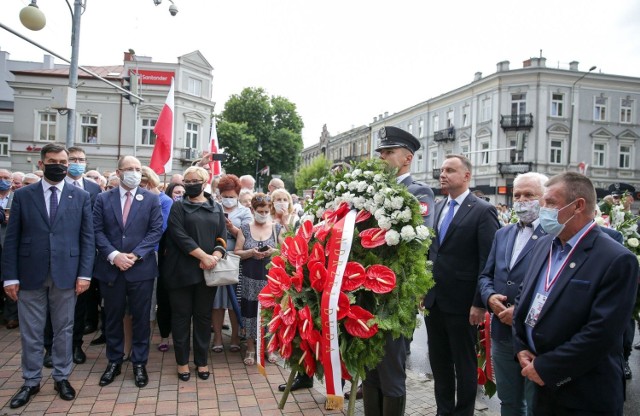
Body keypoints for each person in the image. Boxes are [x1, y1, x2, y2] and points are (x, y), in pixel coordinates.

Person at [513, 172, 638, 415]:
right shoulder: (544, 244)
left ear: (578, 206)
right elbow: (523, 297)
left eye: (550, 203)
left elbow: (601, 332)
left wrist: (548, 367)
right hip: (540, 383)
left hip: (584, 393)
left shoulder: (617, 259)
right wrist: (521, 346)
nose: (543, 210)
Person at [2, 143, 95, 408]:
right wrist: (10, 276)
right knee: (31, 331)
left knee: (65, 329)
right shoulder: (23, 195)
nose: (59, 166)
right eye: (53, 161)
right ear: (41, 164)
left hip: (67, 274)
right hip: (30, 273)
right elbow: (12, 239)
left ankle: (61, 377)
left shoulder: (80, 197)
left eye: (63, 162)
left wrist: (85, 274)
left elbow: (87, 239)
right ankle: (30, 381)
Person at [356, 126, 435, 414]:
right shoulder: (369, 191)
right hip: (366, 289)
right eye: (381, 152)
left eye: (389, 152)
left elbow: (420, 240)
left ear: (407, 158)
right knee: (370, 368)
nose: (382, 157)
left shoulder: (419, 192)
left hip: (395, 294)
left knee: (390, 370)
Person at [423, 154, 499, 416]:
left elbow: (487, 261)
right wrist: (423, 289)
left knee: (464, 364)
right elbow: (433, 253)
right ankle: (443, 411)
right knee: (440, 363)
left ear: (466, 176)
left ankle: (463, 412)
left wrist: (479, 302)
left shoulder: (482, 210)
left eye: (450, 170)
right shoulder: (440, 205)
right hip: (435, 301)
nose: (443, 174)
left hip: (464, 303)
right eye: (442, 170)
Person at [478, 172, 548, 416]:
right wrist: (489, 298)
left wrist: (521, 310)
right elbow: (486, 275)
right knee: (509, 401)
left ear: (544, 198)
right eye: (517, 195)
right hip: (502, 333)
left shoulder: (554, 237)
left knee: (535, 404)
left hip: (534, 336)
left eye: (529, 195)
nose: (521, 200)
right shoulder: (503, 233)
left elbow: (554, 287)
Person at [93, 155, 163, 388]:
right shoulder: (103, 199)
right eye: (129, 168)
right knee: (112, 318)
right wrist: (114, 255)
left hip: (140, 269)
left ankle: (139, 363)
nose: (134, 172)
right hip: (111, 269)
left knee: (141, 318)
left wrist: (136, 254)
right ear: (119, 172)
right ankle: (114, 361)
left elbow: (155, 231)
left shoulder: (151, 199)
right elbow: (97, 230)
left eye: (137, 168)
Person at [160, 166, 226, 381]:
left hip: (207, 273)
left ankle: (201, 361)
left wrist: (215, 255)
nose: (190, 184)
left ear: (205, 181)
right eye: (186, 181)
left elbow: (221, 237)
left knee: (203, 317)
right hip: (181, 272)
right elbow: (179, 236)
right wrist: (203, 257)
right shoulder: (178, 207)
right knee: (180, 318)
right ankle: (181, 362)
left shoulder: (215, 207)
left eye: (194, 180)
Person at [42, 146, 102, 368]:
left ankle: (76, 345)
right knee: (51, 307)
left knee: (80, 306)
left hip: (83, 258)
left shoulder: (94, 189)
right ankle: (50, 348)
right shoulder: (53, 186)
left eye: (81, 159)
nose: (77, 162)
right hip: (55, 258)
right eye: (73, 159)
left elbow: (93, 226)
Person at [235, 193, 284, 366]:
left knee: (269, 312)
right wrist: (251, 253)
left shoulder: (276, 228)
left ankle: (270, 347)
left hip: (270, 279)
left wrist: (273, 251)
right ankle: (250, 347)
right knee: (249, 310)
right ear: (253, 210)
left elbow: (285, 252)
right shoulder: (245, 228)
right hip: (249, 278)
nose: (263, 214)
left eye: (266, 211)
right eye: (260, 211)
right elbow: (237, 251)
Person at [211, 174, 252, 354]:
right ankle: (218, 336)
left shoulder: (244, 212)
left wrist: (231, 228)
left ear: (237, 194)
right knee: (217, 301)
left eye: (231, 196)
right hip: (216, 258)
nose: (228, 199)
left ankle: (235, 336)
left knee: (234, 301)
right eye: (225, 196)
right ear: (220, 195)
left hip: (236, 259)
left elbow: (248, 237)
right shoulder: (213, 208)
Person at [140, 166, 173, 353]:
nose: (142, 188)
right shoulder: (138, 199)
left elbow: (160, 229)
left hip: (157, 254)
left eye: (145, 185)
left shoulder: (165, 201)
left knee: (158, 297)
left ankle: (161, 335)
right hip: (136, 255)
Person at [155, 182, 185, 352]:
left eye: (182, 192)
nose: (179, 195)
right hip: (165, 267)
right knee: (164, 302)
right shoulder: (163, 211)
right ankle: (164, 336)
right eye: (176, 192)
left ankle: (180, 337)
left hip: (183, 267)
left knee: (181, 305)